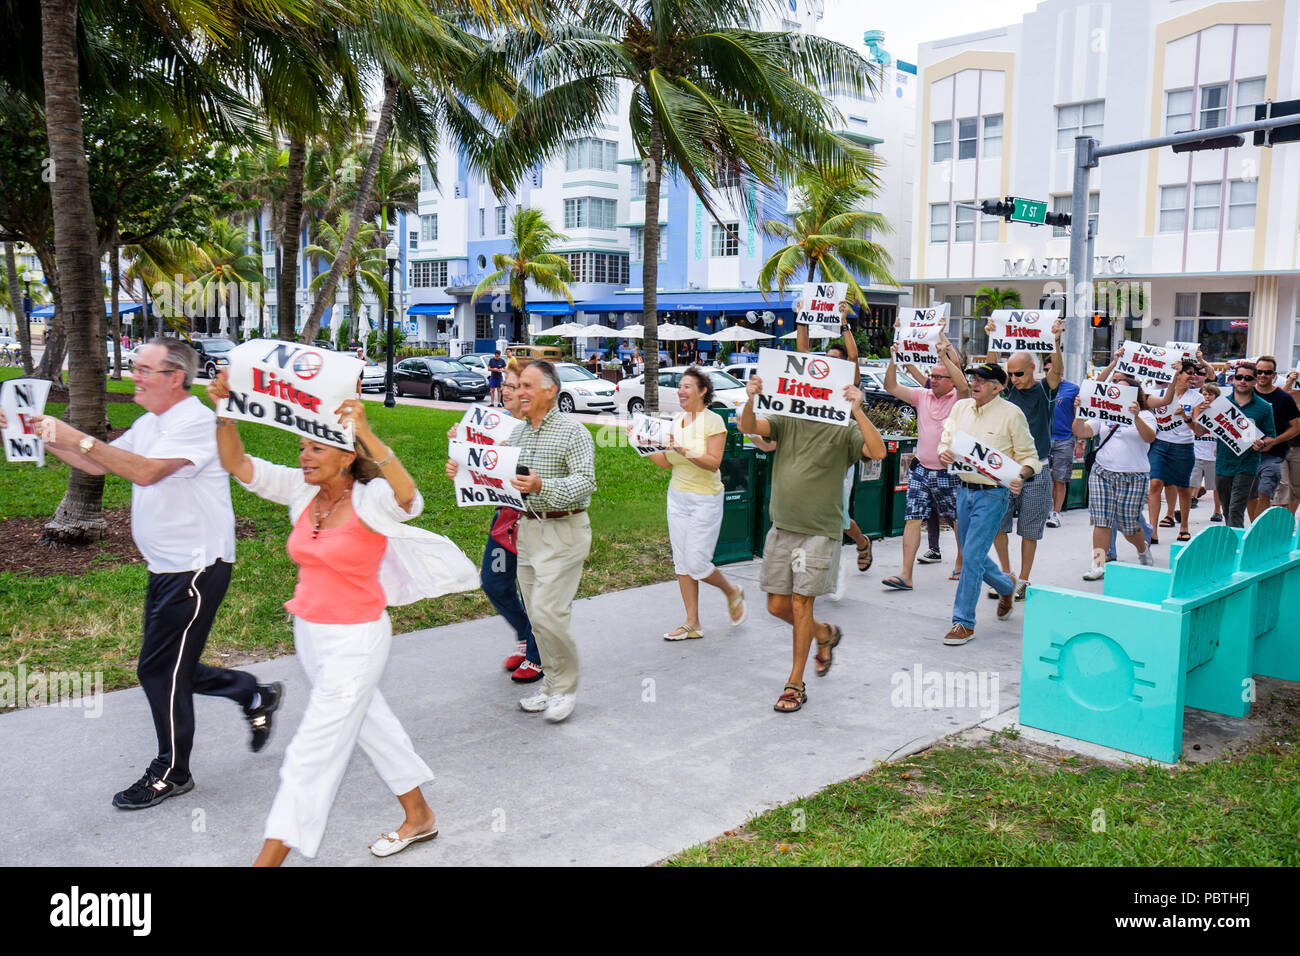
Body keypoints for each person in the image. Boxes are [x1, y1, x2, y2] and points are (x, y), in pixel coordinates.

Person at [207, 373, 478, 865]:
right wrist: (225, 410)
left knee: (312, 752)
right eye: (302, 447)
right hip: (309, 632)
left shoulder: (369, 499)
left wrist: (367, 430)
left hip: (358, 638)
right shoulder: (300, 490)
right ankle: (419, 815)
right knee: (369, 722)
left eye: (315, 449)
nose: (303, 457)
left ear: (346, 456)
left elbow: (407, 496)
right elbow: (237, 462)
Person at [25, 339, 278, 810]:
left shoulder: (197, 423)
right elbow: (95, 461)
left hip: (198, 567)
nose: (134, 375)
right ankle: (252, 692)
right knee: (169, 665)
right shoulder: (151, 423)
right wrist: (43, 435)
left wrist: (75, 434)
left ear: (174, 376)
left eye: (143, 369)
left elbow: (145, 473)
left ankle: (171, 772)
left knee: (158, 668)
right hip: (167, 567)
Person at [739, 369, 885, 713]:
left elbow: (877, 452)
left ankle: (795, 683)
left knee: (802, 603)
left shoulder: (845, 429)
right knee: (777, 606)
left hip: (821, 531)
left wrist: (858, 411)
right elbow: (749, 427)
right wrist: (750, 400)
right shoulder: (788, 419)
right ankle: (823, 634)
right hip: (783, 526)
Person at [503, 361, 596, 723]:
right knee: (537, 618)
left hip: (564, 531)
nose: (519, 392)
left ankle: (566, 690)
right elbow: (501, 479)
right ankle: (550, 686)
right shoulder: (518, 435)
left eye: (527, 385)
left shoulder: (574, 432)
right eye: (518, 385)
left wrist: (544, 486)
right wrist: (463, 469)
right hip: (528, 531)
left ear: (550, 391)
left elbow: (585, 483)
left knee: (549, 614)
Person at [444, 365, 542, 682]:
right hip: (505, 522)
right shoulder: (490, 425)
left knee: (533, 591)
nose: (511, 390)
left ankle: (537, 655)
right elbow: (480, 470)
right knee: (494, 582)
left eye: (518, 385)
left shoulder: (535, 428)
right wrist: (459, 461)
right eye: (508, 385)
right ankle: (525, 634)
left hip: (534, 522)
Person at [635, 367, 747, 639]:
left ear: (702, 390)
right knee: (682, 564)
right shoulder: (675, 421)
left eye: (687, 386)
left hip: (705, 500)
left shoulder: (713, 422)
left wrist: (685, 450)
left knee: (697, 563)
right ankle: (692, 622)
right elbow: (664, 463)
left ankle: (731, 590)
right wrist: (641, 443)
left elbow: (713, 463)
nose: (681, 391)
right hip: (677, 497)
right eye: (679, 387)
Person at [936, 363, 1041, 646]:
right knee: (975, 553)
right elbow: (946, 440)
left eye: (983, 379)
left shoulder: (1012, 414)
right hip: (963, 490)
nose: (975, 383)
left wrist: (1021, 475)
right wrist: (943, 452)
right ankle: (1007, 586)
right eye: (974, 378)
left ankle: (963, 622)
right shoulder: (960, 409)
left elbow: (1030, 457)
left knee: (970, 556)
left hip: (993, 494)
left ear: (998, 386)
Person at [879, 332, 969, 591]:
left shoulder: (959, 399)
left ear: (951, 381)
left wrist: (943, 355)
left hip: (948, 470)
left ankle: (962, 564)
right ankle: (906, 574)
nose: (933, 379)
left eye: (939, 377)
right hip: (920, 469)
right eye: (932, 375)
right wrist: (894, 360)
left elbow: (964, 385)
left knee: (956, 519)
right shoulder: (922, 396)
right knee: (913, 518)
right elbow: (891, 387)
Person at [984, 318, 1064, 602]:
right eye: (1011, 373)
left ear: (1032, 368)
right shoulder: (1007, 390)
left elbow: (1057, 372)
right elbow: (990, 373)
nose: (1014, 378)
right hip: (1005, 468)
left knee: (1030, 528)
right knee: (999, 525)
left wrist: (1055, 340)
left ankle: (1024, 580)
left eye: (1018, 373)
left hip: (1036, 468)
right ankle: (1007, 577)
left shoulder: (1044, 389)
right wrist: (992, 337)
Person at [1071, 373, 1157, 579]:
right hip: (1103, 473)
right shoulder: (1103, 414)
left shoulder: (1146, 416)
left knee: (1129, 526)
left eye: (1124, 390)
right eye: (1115, 389)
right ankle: (1098, 565)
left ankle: (1142, 549)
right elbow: (1081, 431)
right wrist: (1079, 412)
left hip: (1134, 476)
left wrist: (1135, 416)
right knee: (1101, 521)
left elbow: (1150, 437)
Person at [1191, 361, 1275, 528]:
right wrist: (1199, 412)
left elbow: (1271, 436)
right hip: (1223, 464)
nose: (1243, 381)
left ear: (1255, 381)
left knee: (1236, 510)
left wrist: (1262, 443)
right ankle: (1236, 540)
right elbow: (1199, 432)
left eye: (1248, 378)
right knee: (1227, 510)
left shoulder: (1264, 407)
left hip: (1247, 465)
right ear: (1233, 379)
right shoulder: (1219, 404)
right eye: (1239, 377)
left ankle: (1234, 548)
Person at [1141, 358, 1203, 543]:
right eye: (1188, 372)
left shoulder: (1196, 398)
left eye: (1194, 373)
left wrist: (1186, 418)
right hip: (1160, 444)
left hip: (1183, 446)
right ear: (1177, 374)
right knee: (1155, 483)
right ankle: (1152, 530)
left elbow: (1199, 430)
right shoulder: (1156, 393)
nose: (1192, 377)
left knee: (1183, 487)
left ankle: (1184, 525)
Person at [1247, 355, 1300, 520]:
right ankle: (1255, 528)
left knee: (1271, 492)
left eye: (1267, 372)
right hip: (1249, 452)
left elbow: (1296, 427)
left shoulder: (1284, 398)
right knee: (1251, 493)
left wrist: (1273, 441)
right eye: (1260, 372)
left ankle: (1280, 525)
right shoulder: (1244, 393)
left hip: (1276, 452)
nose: (1263, 375)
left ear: (1274, 375)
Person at [1042, 354, 1080, 528]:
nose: (1049, 373)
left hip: (1064, 438)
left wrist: (1080, 441)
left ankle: (1055, 513)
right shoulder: (1041, 387)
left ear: (1060, 369)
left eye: (1051, 369)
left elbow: (1079, 414)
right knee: (1042, 477)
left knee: (1060, 478)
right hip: (1043, 438)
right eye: (1046, 370)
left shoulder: (1072, 388)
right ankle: (1046, 509)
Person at [1190, 381, 1223, 522]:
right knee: (1191, 481)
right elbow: (1192, 427)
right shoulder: (1196, 409)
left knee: (1215, 486)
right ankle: (1187, 504)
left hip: (1213, 453)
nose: (1207, 397)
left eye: (1210, 394)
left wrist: (1219, 446)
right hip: (1197, 450)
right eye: (1204, 394)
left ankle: (1217, 510)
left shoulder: (1221, 411)